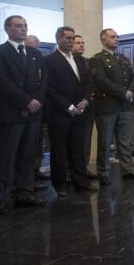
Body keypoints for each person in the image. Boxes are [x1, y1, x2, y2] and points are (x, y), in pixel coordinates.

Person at [0, 15, 47, 214]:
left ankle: (24, 193)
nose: (23, 29)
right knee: (6, 157)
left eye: (25, 26)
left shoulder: (35, 53)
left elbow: (42, 81)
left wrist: (35, 101)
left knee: (27, 156)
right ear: (7, 29)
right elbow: (1, 82)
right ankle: (1, 197)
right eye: (18, 26)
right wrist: (26, 101)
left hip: (33, 113)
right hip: (11, 113)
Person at [44, 26, 96, 196]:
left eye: (73, 38)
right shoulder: (49, 60)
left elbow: (88, 84)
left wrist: (85, 100)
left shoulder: (80, 60)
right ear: (58, 39)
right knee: (59, 151)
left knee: (77, 149)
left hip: (80, 112)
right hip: (60, 114)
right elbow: (50, 88)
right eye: (67, 38)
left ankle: (80, 181)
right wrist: (69, 106)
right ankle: (60, 184)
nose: (71, 41)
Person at [90, 28, 134, 183]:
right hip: (107, 107)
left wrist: (130, 92)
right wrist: (123, 92)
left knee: (125, 142)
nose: (117, 39)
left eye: (117, 37)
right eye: (113, 37)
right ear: (103, 40)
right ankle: (104, 174)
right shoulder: (96, 59)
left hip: (124, 107)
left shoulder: (123, 58)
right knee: (105, 143)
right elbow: (101, 81)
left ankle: (128, 170)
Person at [71, 34, 97, 179]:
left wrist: (87, 99)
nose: (81, 45)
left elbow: (92, 83)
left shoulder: (88, 62)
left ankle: (84, 167)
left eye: (83, 42)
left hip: (87, 105)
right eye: (77, 43)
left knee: (86, 138)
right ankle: (70, 169)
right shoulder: (66, 61)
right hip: (70, 107)